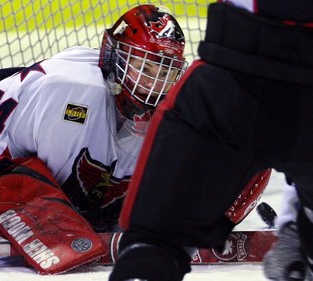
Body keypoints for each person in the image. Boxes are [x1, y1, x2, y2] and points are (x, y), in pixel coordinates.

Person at [0, 4, 187, 274]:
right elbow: (35, 184)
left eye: (165, 73)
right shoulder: (71, 90)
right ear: (117, 57)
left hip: (11, 170)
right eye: (145, 68)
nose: (154, 84)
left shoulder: (169, 114)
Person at [109, 1, 313, 281]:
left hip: (229, 83)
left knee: (152, 250)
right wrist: (297, 223)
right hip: (230, 78)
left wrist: (295, 224)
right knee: (150, 252)